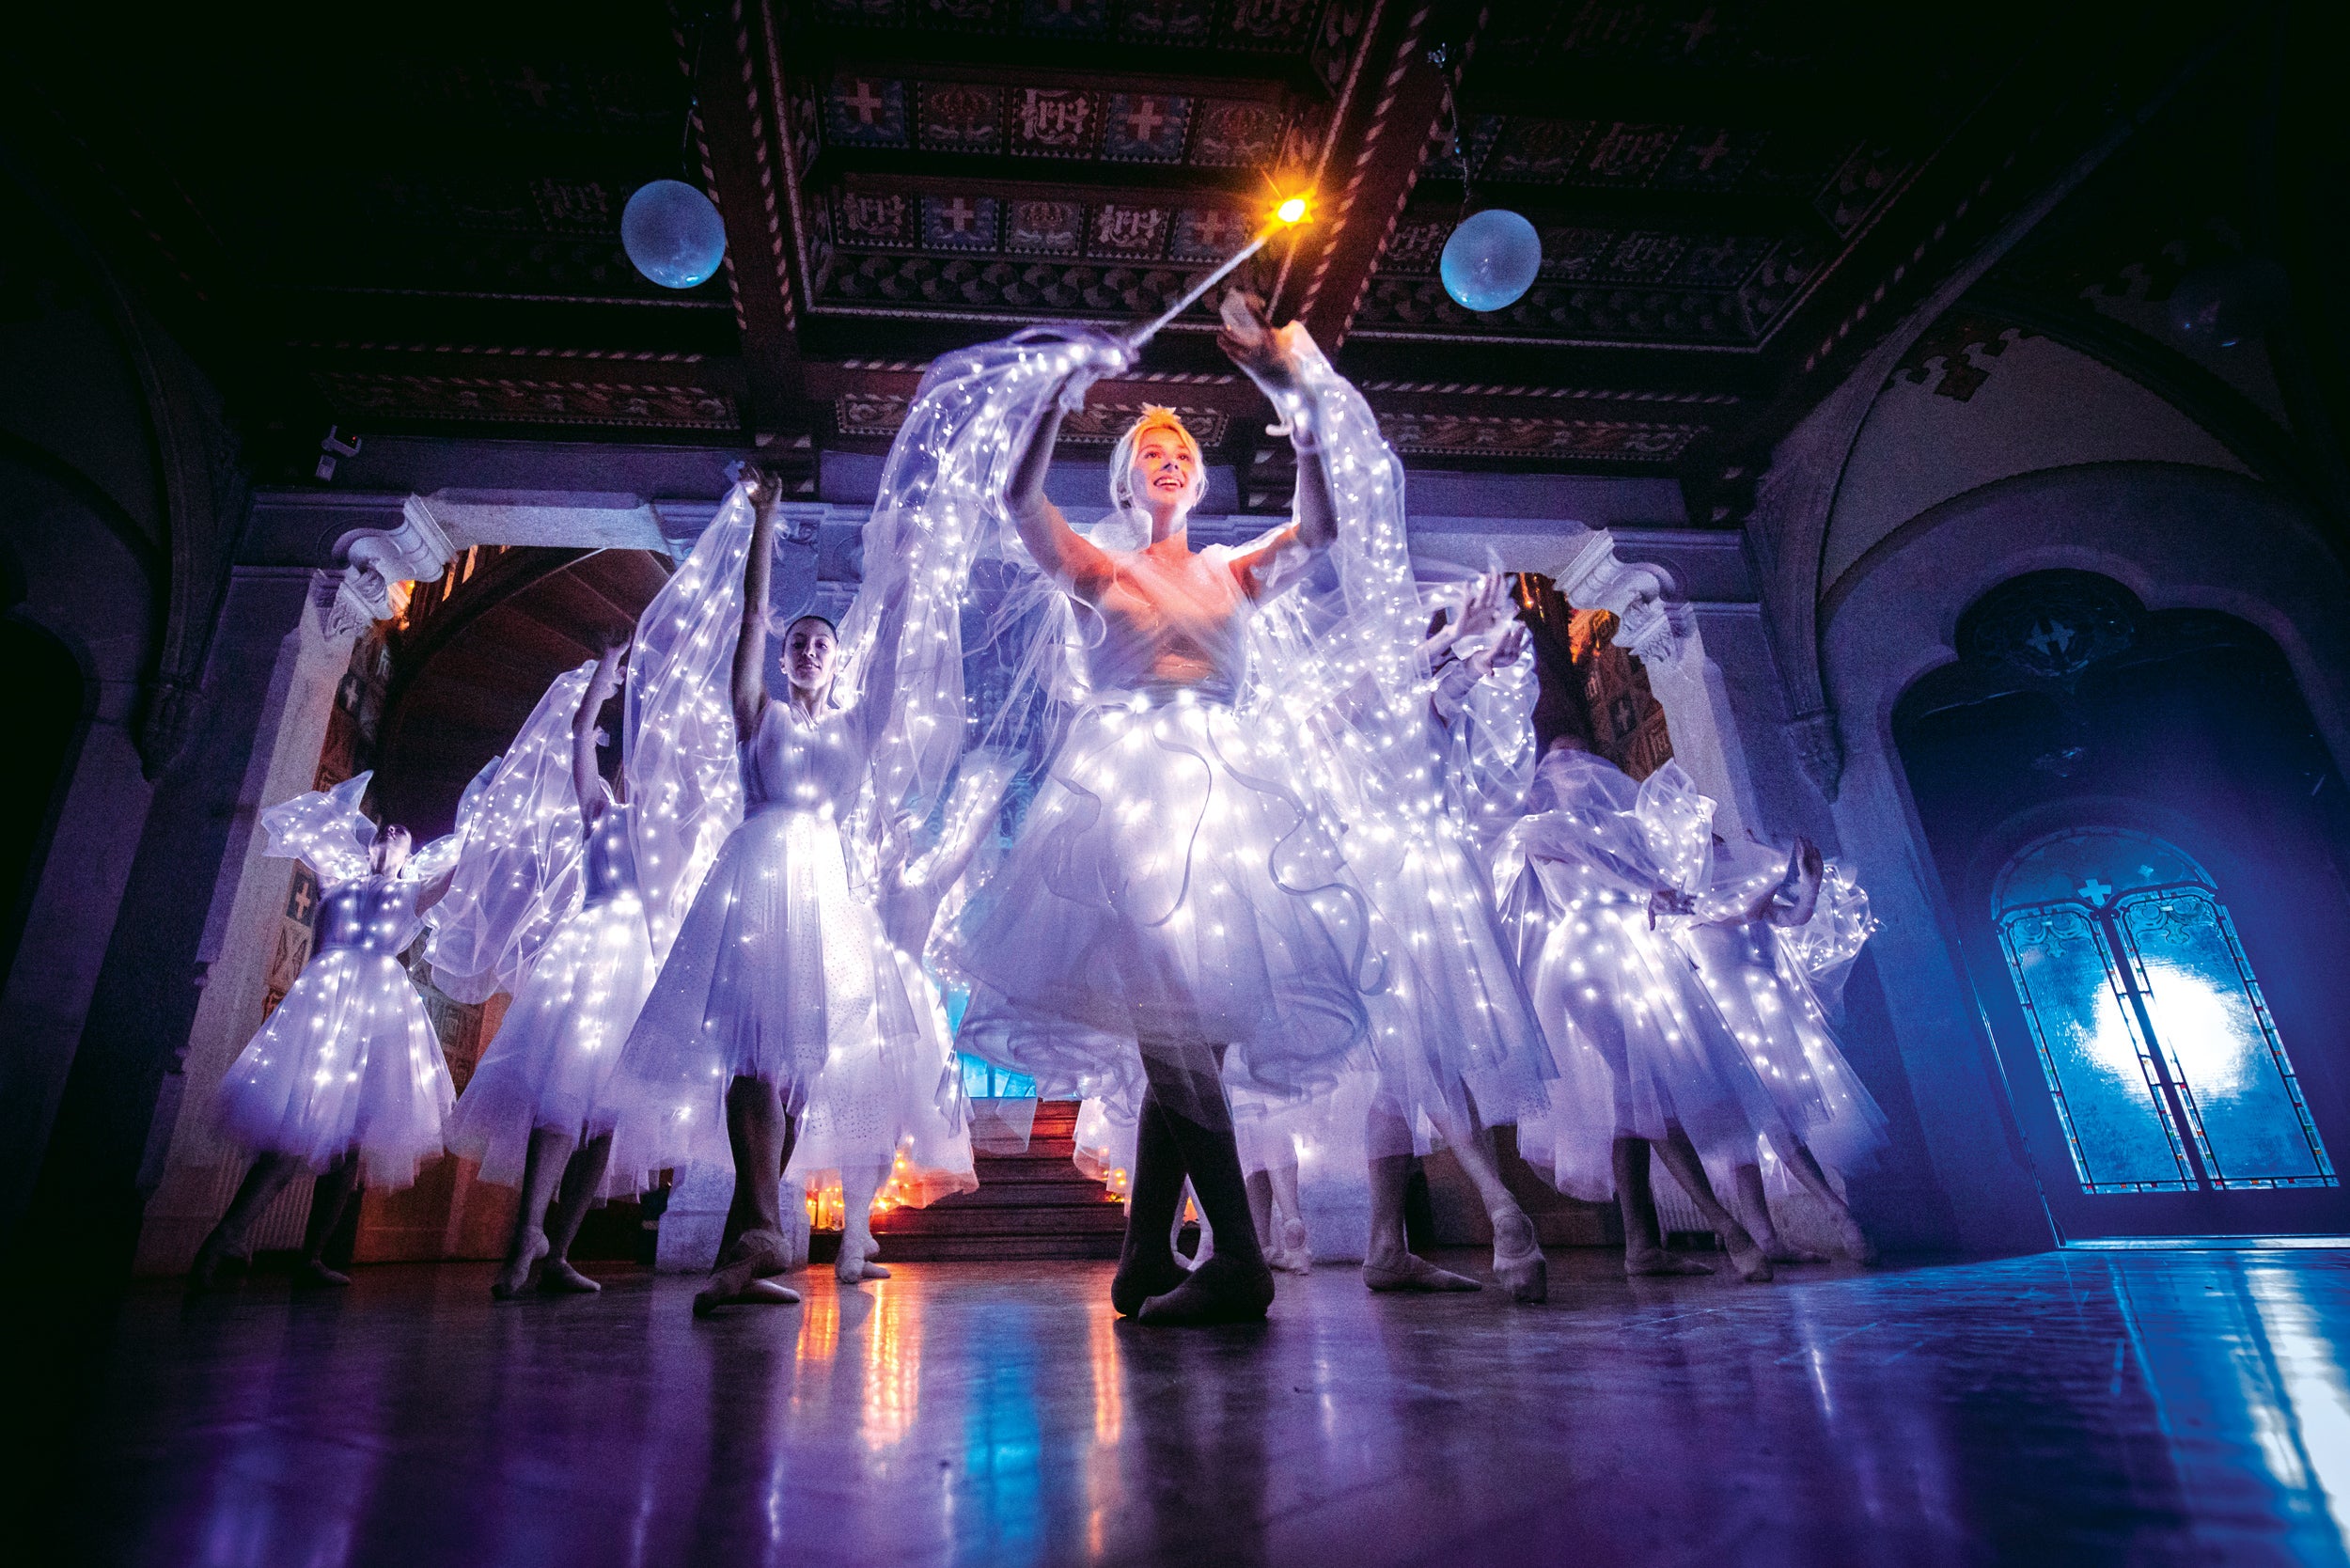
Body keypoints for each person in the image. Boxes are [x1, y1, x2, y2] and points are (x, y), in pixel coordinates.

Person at [946, 297, 1376, 1325]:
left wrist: (1296, 413)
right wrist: (1057, 401)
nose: (1168, 455)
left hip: (1224, 801)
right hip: (1129, 801)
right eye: (1149, 448)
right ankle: (1236, 1257)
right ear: (1129, 479)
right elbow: (1016, 502)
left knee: (1187, 1035)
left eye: (1180, 445)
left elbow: (1321, 527)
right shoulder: (1103, 569)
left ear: (1198, 473)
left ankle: (1145, 1253)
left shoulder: (1235, 569)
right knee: (1172, 1034)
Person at [600, 469, 917, 1315]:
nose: (810, 648)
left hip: (823, 895)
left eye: (822, 642)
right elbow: (751, 617)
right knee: (752, 1061)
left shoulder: (857, 725)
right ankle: (759, 1235)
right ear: (784, 656)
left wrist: (902, 570)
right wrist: (765, 523)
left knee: (799, 1077)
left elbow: (891, 650)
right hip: (756, 882)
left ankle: (754, 1240)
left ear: (836, 658)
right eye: (799, 642)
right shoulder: (758, 714)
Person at [1496, 736, 1780, 1283]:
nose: (1572, 768)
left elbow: (1665, 881)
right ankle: (1725, 1225)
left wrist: (1665, 888)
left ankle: (1641, 1243)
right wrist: (1648, 882)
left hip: (1641, 952)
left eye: (1581, 758)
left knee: (1632, 1100)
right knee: (1643, 1082)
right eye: (1560, 761)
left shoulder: (1626, 829)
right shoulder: (1542, 828)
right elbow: (1597, 861)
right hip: (1584, 959)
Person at [190, 776, 464, 1290]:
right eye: (384, 829)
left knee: (350, 1142)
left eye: (403, 833)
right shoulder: (337, 879)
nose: (393, 830)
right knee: (301, 1125)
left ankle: (311, 1256)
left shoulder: (416, 891)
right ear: (371, 841)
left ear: (413, 853)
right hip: (325, 1004)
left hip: (380, 1016)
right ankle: (230, 1231)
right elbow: (311, 833)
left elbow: (463, 866)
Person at [444, 644, 657, 1298]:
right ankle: (524, 1235)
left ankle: (558, 1251)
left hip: (640, 964)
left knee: (609, 1115)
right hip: (592, 950)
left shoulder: (674, 833)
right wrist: (604, 677)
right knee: (560, 1096)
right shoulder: (604, 813)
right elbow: (577, 739)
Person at [1677, 838, 1884, 1264]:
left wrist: (1809, 883)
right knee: (1741, 1137)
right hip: (1724, 1018)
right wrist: (1773, 871)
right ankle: (1768, 1239)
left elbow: (1792, 916)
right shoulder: (1693, 903)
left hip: (1765, 1010)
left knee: (1781, 1122)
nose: (1722, 847)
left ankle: (1838, 1215)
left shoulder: (1739, 892)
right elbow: (1742, 912)